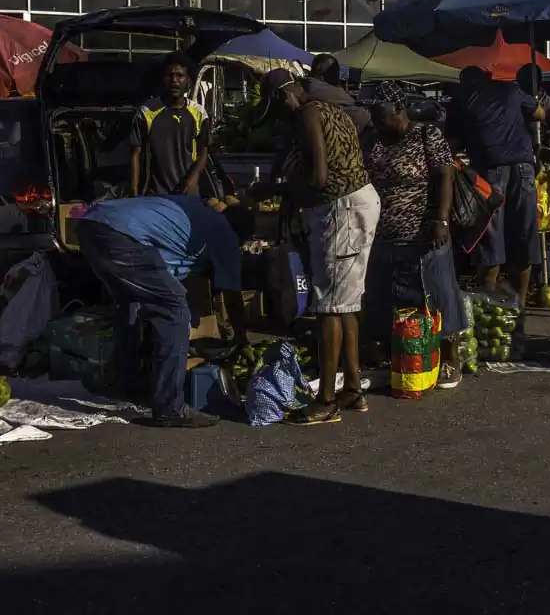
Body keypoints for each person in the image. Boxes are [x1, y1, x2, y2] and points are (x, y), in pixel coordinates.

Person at [256, 68, 379, 424]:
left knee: (327, 306)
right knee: (346, 304)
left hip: (340, 208)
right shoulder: (330, 109)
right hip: (356, 203)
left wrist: (274, 190)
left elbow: (319, 177)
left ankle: (326, 401)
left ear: (285, 96)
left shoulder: (308, 114)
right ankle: (353, 387)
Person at [76, 195, 255, 428]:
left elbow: (160, 265)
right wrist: (242, 338)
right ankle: (170, 408)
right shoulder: (225, 235)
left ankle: (126, 382)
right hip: (120, 235)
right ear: (240, 235)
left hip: (92, 224)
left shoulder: (196, 210)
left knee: (130, 301)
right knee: (175, 311)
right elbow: (232, 295)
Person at [363, 84, 465, 389]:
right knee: (385, 298)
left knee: (436, 295)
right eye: (372, 116)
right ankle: (399, 356)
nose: (376, 121)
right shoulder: (373, 140)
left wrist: (441, 219)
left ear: (399, 109)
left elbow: (446, 175)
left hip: (422, 234)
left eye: (380, 115)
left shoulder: (426, 135)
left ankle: (449, 359)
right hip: (382, 234)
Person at [446, 66, 545, 303]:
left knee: (490, 238)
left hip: (489, 173)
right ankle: (518, 306)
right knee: (523, 236)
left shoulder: (460, 100)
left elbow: (451, 145)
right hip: (523, 168)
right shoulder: (510, 90)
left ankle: (490, 308)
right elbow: (540, 113)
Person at [130, 52, 210, 197]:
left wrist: (194, 175)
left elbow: (203, 152)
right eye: (170, 75)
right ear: (162, 79)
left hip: (187, 196)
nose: (175, 80)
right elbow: (135, 153)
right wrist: (134, 191)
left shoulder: (199, 114)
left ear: (189, 81)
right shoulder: (146, 113)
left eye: (180, 76)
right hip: (154, 197)